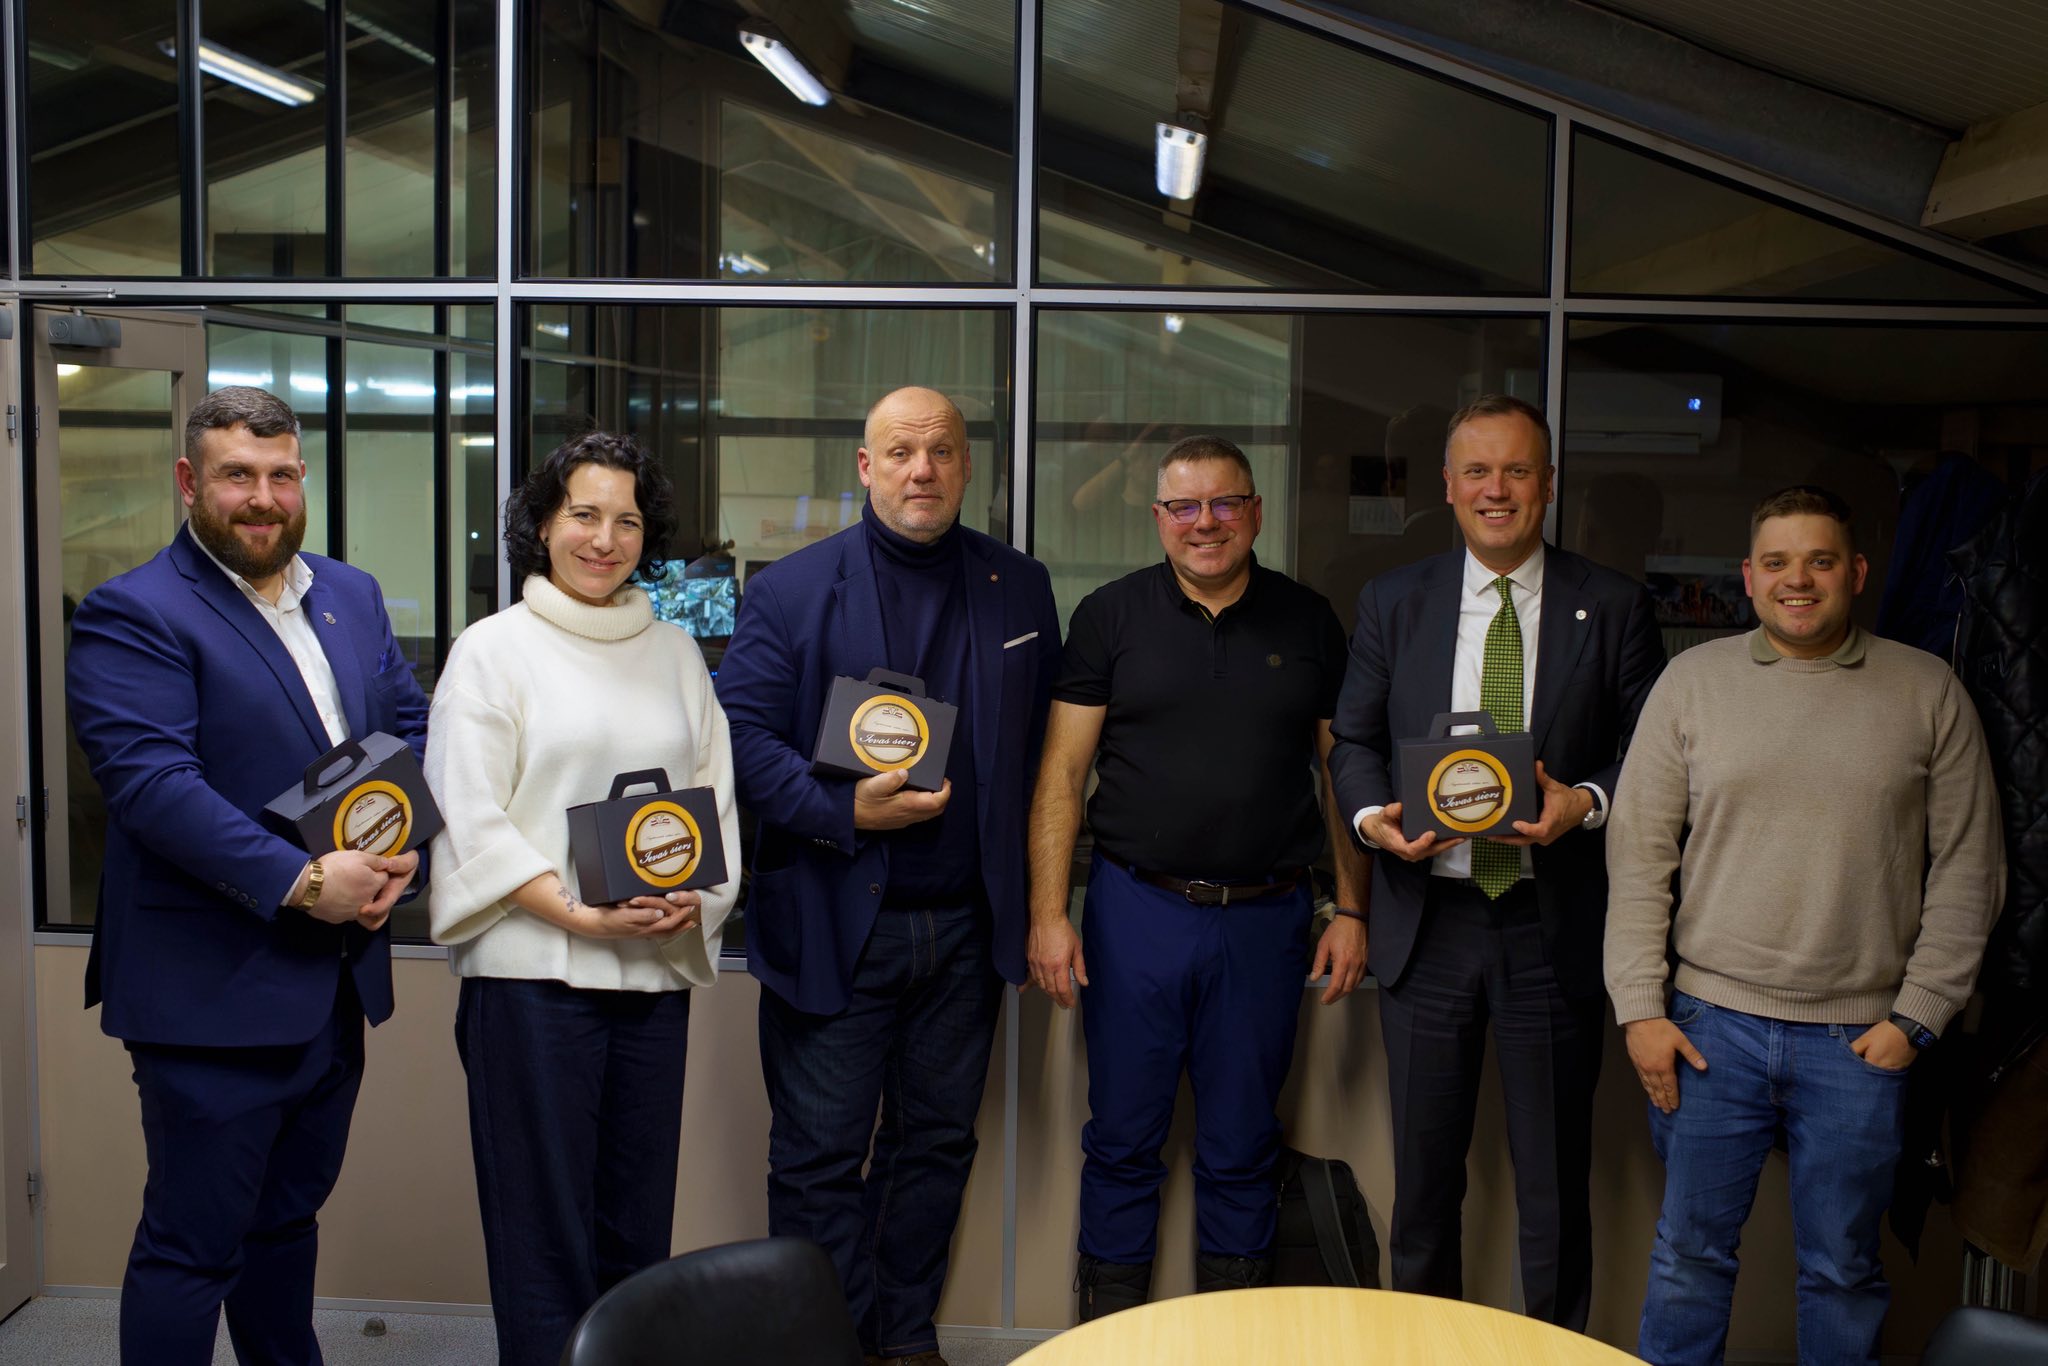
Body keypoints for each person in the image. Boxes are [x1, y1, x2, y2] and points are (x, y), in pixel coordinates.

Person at [66, 385, 427, 1364]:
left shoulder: (349, 595)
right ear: (190, 482)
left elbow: (408, 728)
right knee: (191, 1250)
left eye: (280, 475)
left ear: (303, 477)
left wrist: (405, 851)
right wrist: (304, 882)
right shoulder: (135, 612)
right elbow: (153, 786)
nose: (262, 498)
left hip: (332, 989)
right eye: (237, 475)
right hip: (209, 994)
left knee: (284, 1227)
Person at [1605, 485, 2004, 1366]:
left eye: (1820, 561)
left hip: (1859, 1041)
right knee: (1688, 1260)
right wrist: (1641, 1010)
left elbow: (1971, 867)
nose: (1799, 580)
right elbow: (1638, 856)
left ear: (1855, 573)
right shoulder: (1691, 684)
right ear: (1748, 577)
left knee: (1843, 1271)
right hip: (1709, 1032)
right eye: (1778, 562)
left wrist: (1919, 1017)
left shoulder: (1927, 690)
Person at [715, 386, 1061, 1365]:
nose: (923, 470)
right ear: (865, 468)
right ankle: (826, 1348)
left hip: (964, 928)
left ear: (966, 465)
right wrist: (842, 810)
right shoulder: (791, 590)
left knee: (935, 1149)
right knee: (819, 1159)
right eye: (901, 452)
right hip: (834, 917)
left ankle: (902, 1337)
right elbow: (737, 737)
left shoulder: (1019, 587)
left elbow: (1045, 750)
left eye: (942, 451)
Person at [1327, 393, 1664, 1329]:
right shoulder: (1395, 601)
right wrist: (1373, 822)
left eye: (1517, 470)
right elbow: (1352, 743)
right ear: (1447, 486)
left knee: (1553, 1189)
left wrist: (1584, 804)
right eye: (1477, 471)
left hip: (1549, 929)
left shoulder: (1615, 605)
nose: (1497, 490)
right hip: (1427, 924)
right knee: (1424, 1188)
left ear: (1548, 485)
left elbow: (1654, 751)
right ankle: (1428, 1351)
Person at [1027, 434, 1368, 1318]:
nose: (1205, 523)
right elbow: (1063, 774)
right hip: (1136, 911)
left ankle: (1231, 1343)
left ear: (1255, 512)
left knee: (1244, 1145)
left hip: (1267, 918)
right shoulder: (1110, 616)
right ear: (1158, 518)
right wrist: (1049, 914)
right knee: (1122, 1140)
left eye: (1224, 503)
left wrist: (1352, 907)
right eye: (1184, 506)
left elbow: (1342, 777)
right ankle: (1109, 1341)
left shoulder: (1308, 620)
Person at [425, 431, 738, 1366]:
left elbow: (713, 796)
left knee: (636, 1226)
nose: (605, 539)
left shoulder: (676, 653)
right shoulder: (492, 651)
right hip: (533, 985)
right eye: (584, 515)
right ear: (541, 525)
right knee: (542, 1235)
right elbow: (469, 814)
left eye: (627, 521)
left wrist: (693, 900)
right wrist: (577, 914)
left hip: (650, 977)